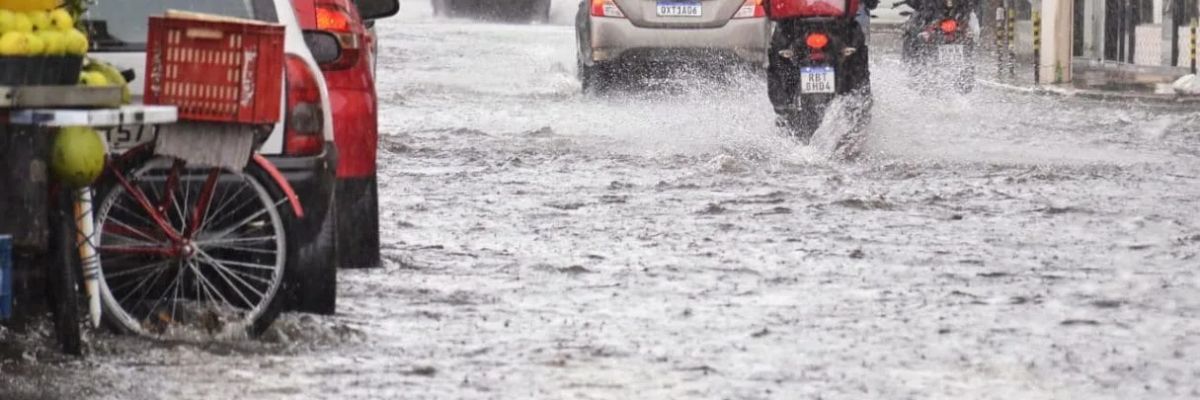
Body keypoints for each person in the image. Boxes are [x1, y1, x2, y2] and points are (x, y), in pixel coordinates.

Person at [767, 0, 878, 128]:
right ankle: (784, 109)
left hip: (801, 26)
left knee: (780, 55)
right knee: (780, 56)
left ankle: (784, 110)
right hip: (831, 26)